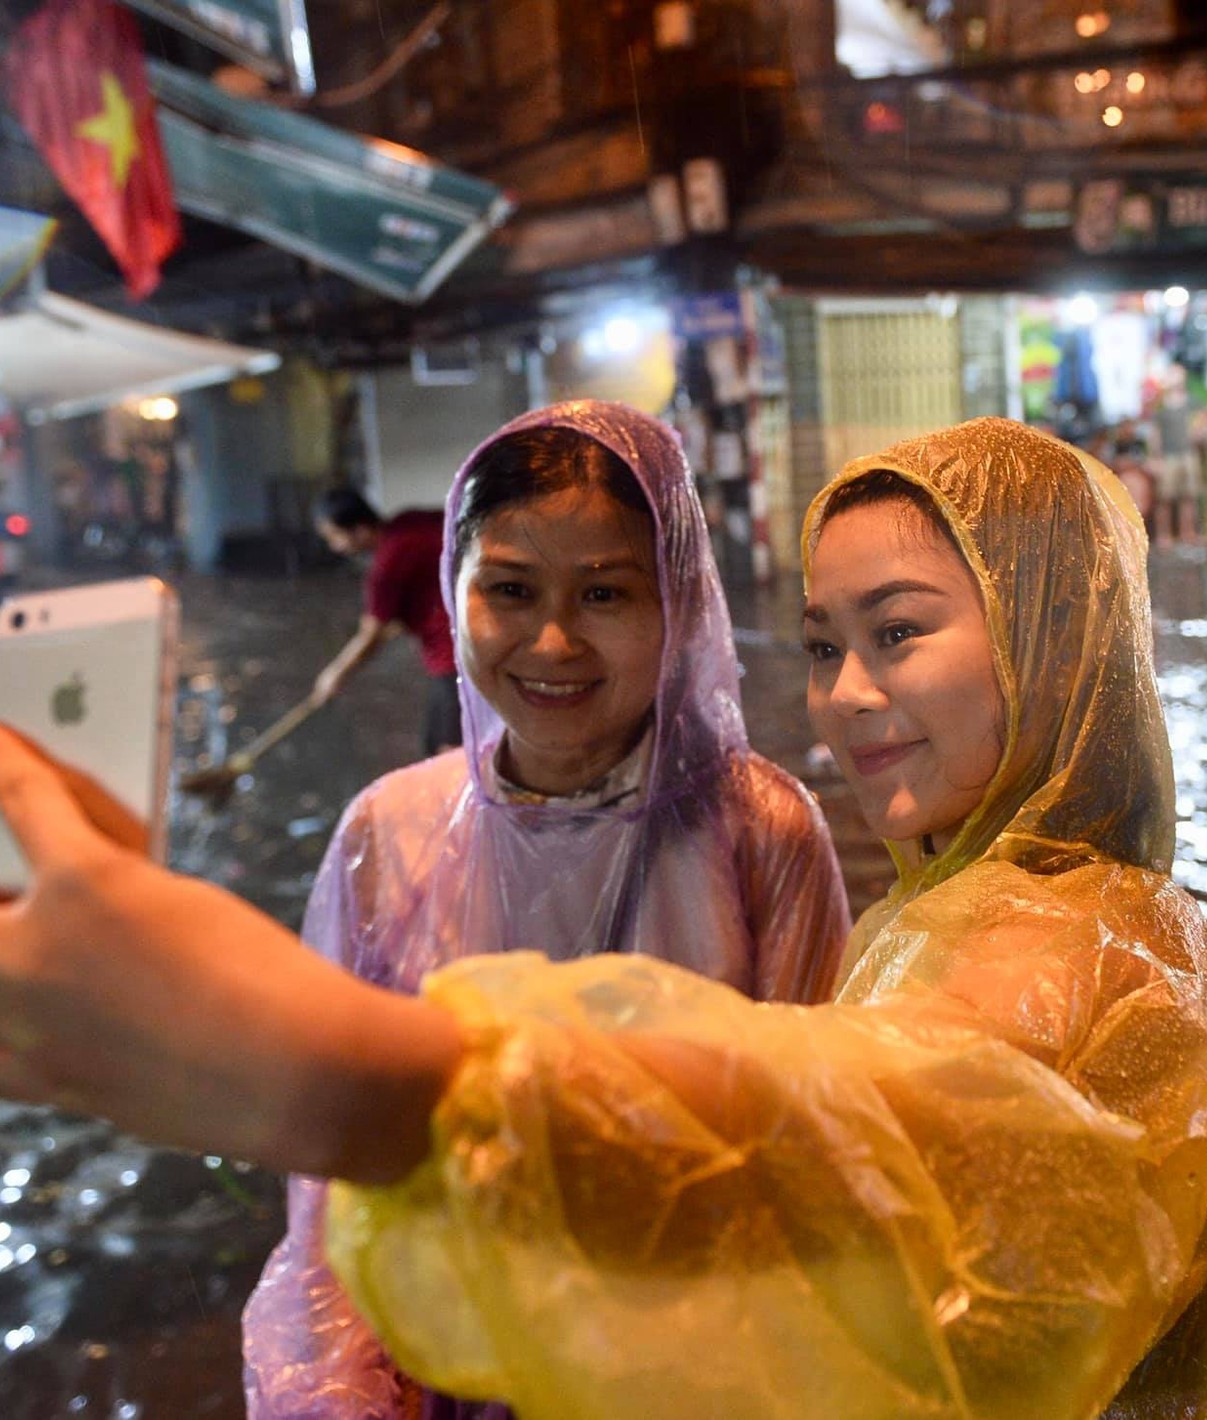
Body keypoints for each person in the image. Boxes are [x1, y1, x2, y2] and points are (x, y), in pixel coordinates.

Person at [0, 418, 1207, 1420]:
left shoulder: (1052, 935)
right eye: (823, 642)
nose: (848, 696)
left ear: (1057, 640)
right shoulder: (981, 899)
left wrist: (335, 1075)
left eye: (901, 632)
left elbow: (854, 1157)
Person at [245, 401, 854, 1418]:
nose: (554, 641)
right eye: (510, 591)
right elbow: (331, 1181)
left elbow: (812, 1161)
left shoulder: (759, 830)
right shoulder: (385, 831)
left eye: (605, 591)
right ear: (453, 593)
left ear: (680, 605)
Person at [313, 488, 462, 756]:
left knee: (448, 753)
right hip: (474, 641)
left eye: (334, 537)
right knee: (434, 747)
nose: (336, 547)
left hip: (453, 656)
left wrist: (335, 674)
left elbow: (371, 634)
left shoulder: (386, 566)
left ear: (359, 529)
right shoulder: (410, 521)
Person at [1151, 368, 1202, 546]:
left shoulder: (1192, 403)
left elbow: (1203, 419)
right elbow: (1155, 434)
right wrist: (1155, 458)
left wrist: (1199, 432)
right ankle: (1164, 535)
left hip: (1188, 454)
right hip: (1168, 456)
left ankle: (1187, 532)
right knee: (1165, 498)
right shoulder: (1161, 406)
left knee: (1188, 496)